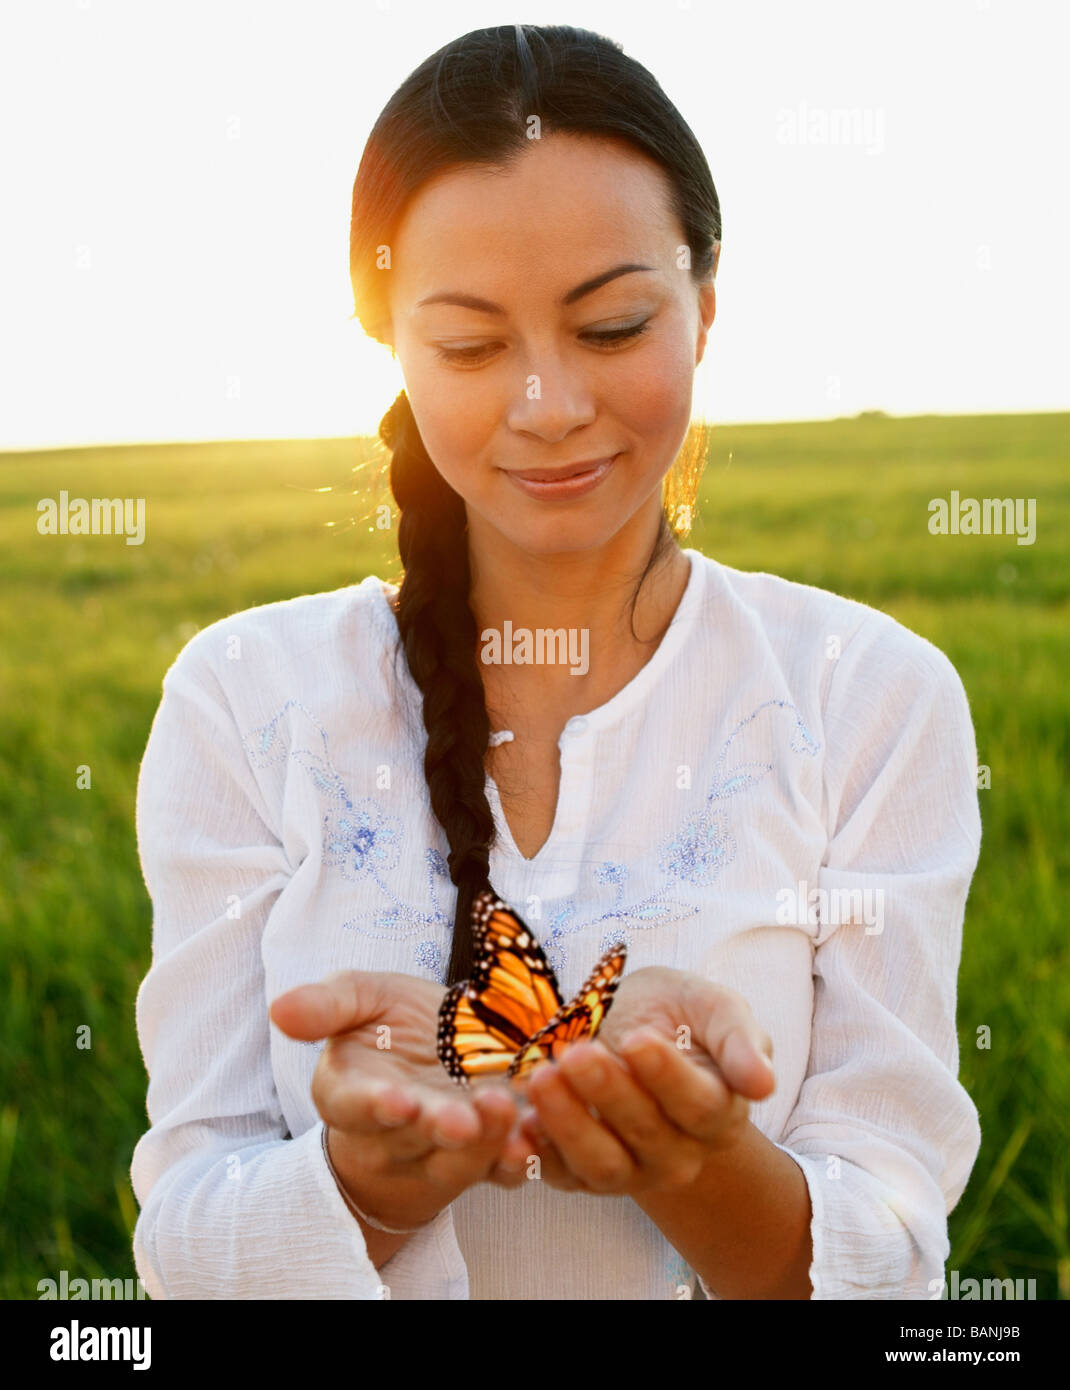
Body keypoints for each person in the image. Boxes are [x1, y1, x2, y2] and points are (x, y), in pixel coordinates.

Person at [130, 24, 982, 1300]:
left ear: (701, 305)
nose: (545, 403)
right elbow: (183, 1249)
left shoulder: (869, 700)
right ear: (389, 343)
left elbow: (894, 1261)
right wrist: (361, 1186)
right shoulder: (245, 699)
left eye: (611, 324)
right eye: (470, 347)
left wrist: (694, 1159)